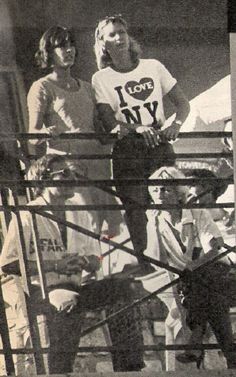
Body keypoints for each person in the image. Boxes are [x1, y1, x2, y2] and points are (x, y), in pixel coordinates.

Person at [0, 154, 145, 374]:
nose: (73, 179)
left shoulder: (79, 212)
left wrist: (87, 261)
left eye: (74, 173)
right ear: (44, 180)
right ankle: (59, 372)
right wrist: (54, 265)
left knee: (125, 289)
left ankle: (129, 367)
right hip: (42, 288)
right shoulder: (28, 215)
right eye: (64, 174)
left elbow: (96, 261)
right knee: (70, 301)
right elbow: (7, 264)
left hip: (76, 284)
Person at [92, 15, 190, 266]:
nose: (119, 38)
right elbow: (109, 121)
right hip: (128, 149)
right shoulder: (101, 78)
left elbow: (183, 104)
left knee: (171, 201)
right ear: (103, 43)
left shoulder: (153, 66)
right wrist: (137, 128)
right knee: (136, 210)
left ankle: (181, 259)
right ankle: (149, 265)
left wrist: (175, 126)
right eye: (112, 34)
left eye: (122, 32)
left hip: (158, 144)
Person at [27, 25, 123, 238]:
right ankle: (90, 271)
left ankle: (108, 270)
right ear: (49, 52)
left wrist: (114, 135)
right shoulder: (42, 87)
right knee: (86, 226)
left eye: (71, 45)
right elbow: (32, 135)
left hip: (98, 163)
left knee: (112, 227)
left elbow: (99, 127)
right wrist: (44, 133)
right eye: (62, 46)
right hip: (70, 167)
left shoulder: (88, 87)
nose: (69, 50)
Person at [145, 166, 236, 369]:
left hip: (217, 272)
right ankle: (229, 352)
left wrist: (193, 267)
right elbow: (156, 258)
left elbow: (215, 249)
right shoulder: (156, 220)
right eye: (155, 190)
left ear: (179, 194)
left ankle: (196, 339)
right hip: (194, 285)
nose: (159, 194)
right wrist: (152, 227)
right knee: (211, 299)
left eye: (166, 190)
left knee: (204, 282)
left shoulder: (197, 212)